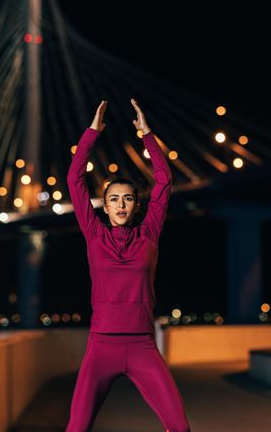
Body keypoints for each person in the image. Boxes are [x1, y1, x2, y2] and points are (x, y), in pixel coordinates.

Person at [65, 99, 191, 432]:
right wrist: (92, 133)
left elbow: (164, 181)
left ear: (136, 206)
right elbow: (75, 179)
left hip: (142, 346)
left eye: (128, 199)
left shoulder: (148, 233)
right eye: (114, 200)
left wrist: (147, 135)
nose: (121, 205)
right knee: (76, 429)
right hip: (101, 346)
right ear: (104, 207)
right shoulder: (94, 235)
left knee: (180, 427)